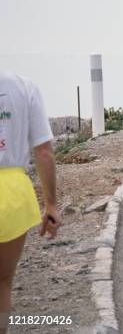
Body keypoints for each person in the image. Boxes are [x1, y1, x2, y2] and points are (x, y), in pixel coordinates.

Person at [0, 73, 61, 334]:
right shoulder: (24, 88)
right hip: (12, 191)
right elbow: (44, 151)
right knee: (2, 283)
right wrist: (51, 205)